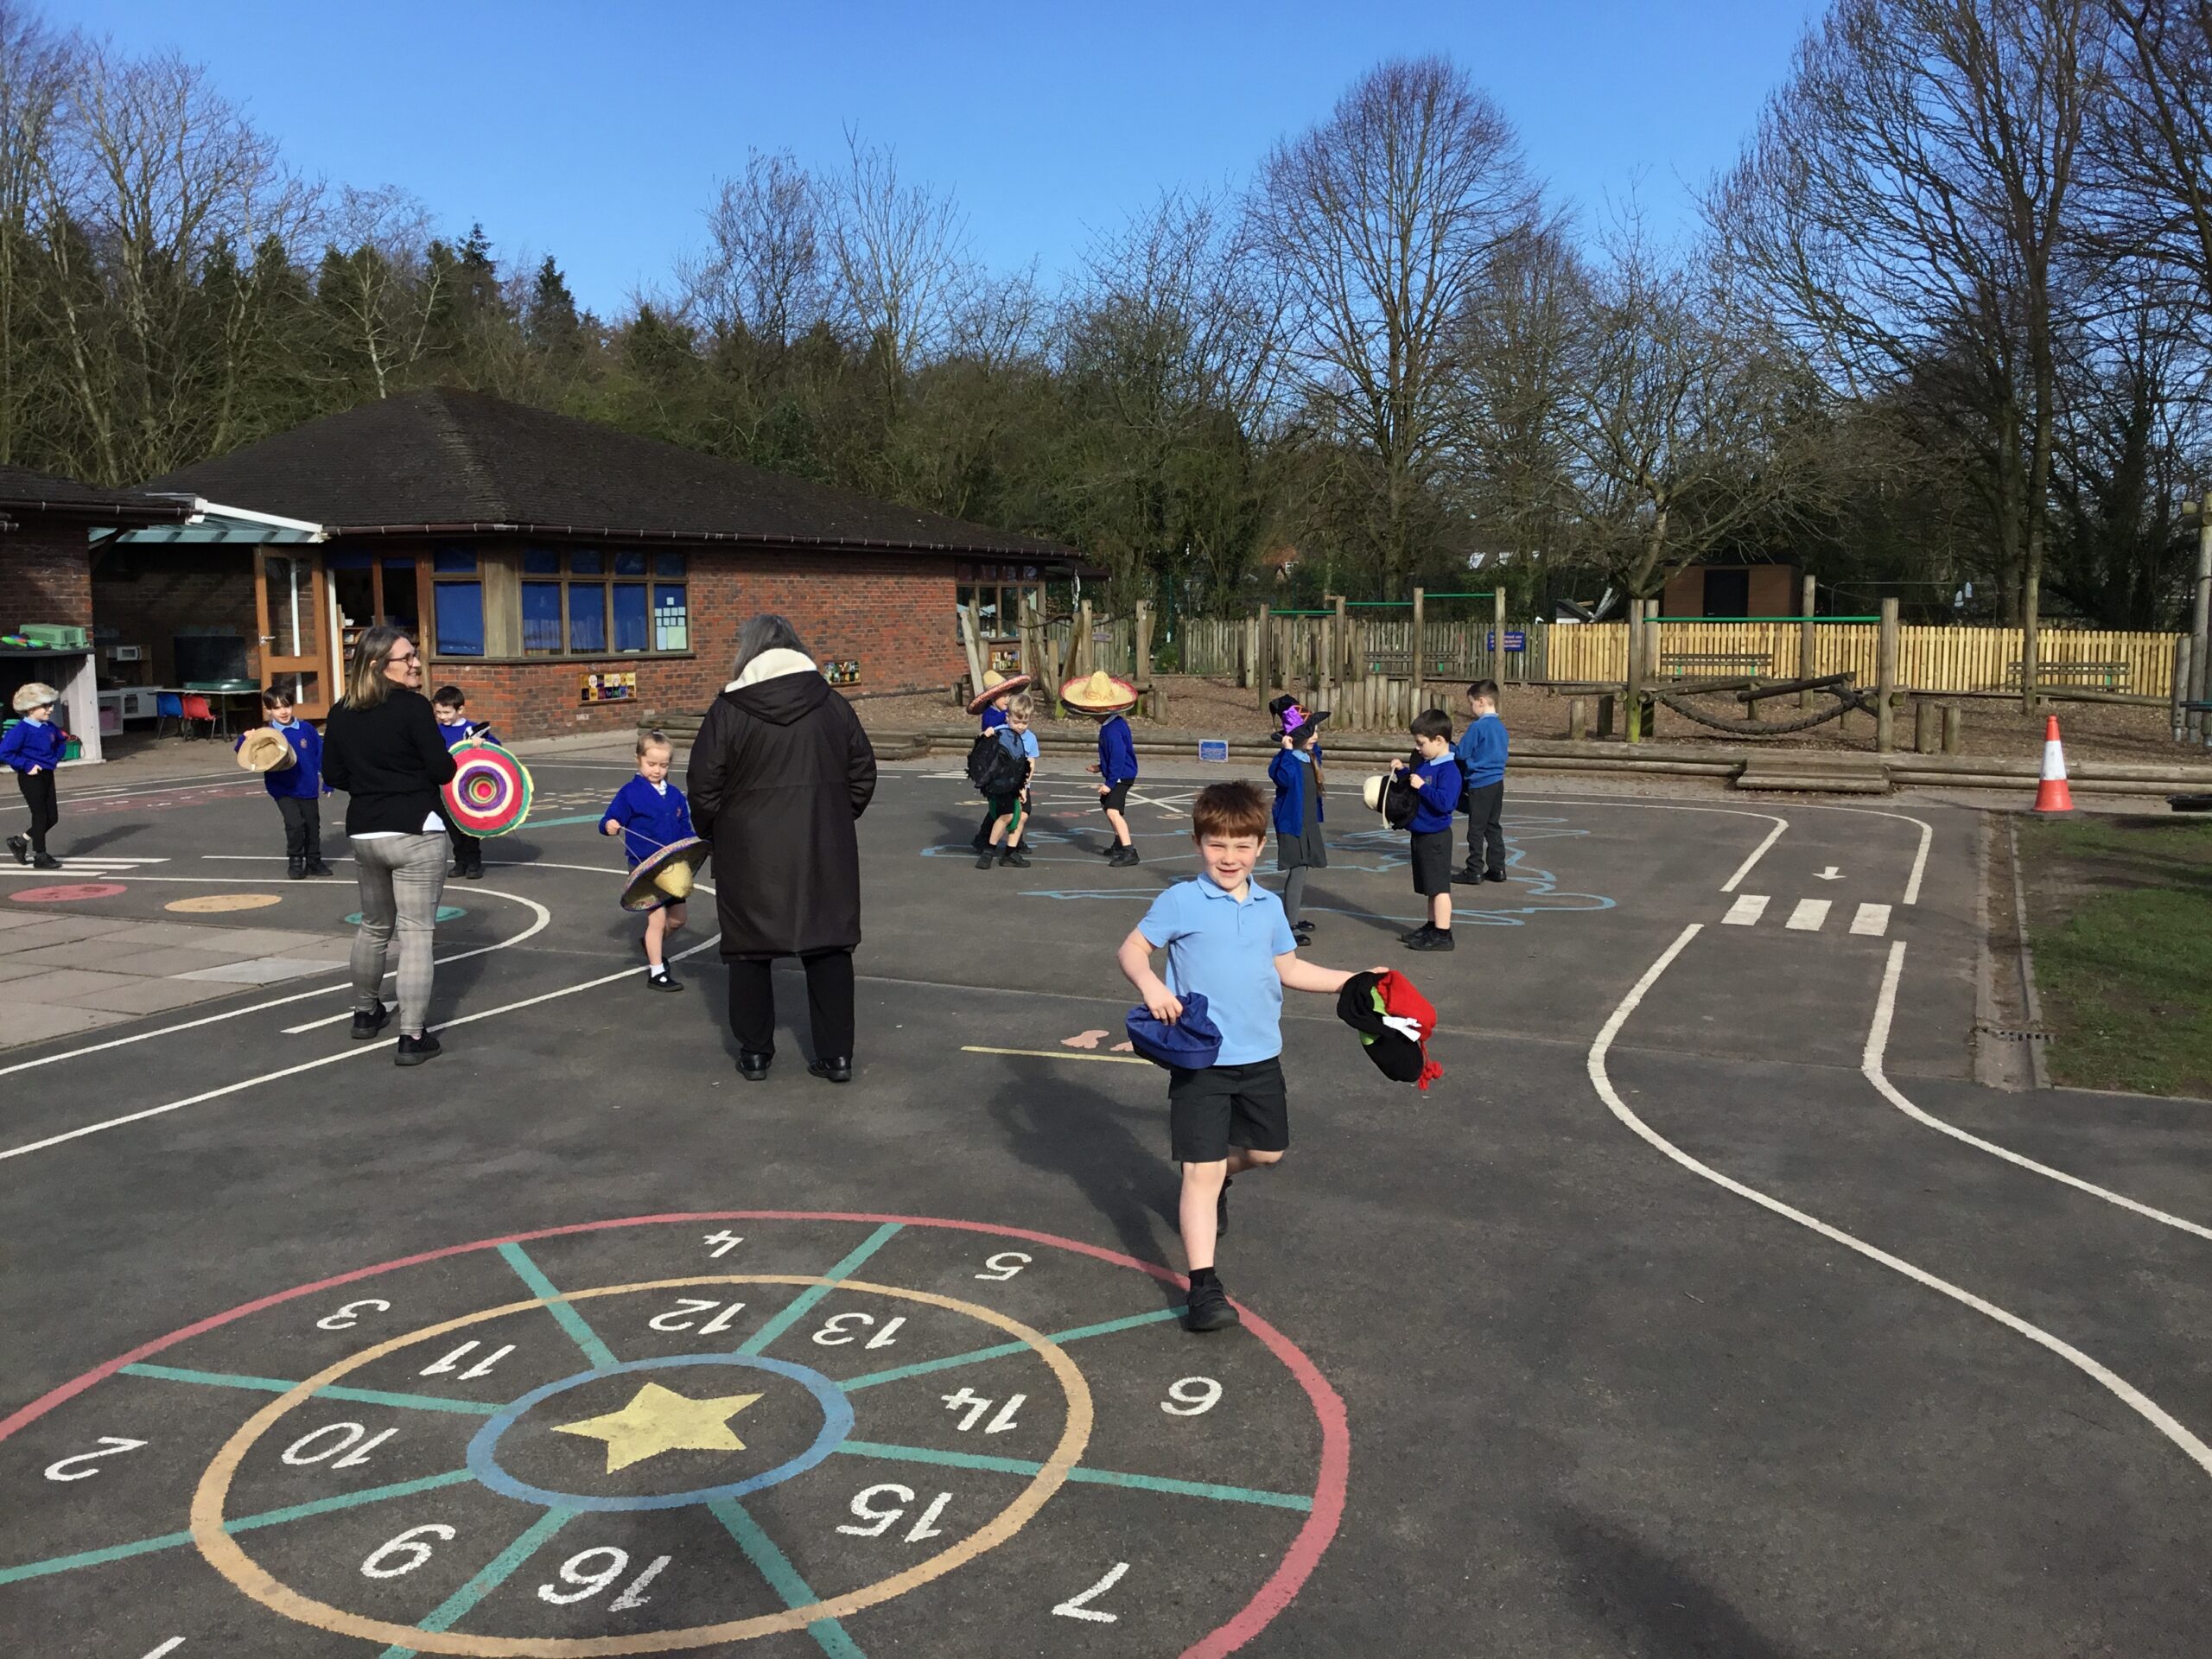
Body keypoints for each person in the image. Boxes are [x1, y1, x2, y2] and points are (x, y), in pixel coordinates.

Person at [1117, 781, 1375, 1332]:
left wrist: (1355, 979)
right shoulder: (1181, 900)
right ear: (1198, 844)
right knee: (1201, 1172)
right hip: (1200, 1057)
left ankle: (1216, 1182)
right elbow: (1132, 949)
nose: (1229, 857)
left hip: (1260, 1056)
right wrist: (1151, 986)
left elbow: (1290, 969)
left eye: (1241, 846)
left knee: (1266, 1152)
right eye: (1217, 844)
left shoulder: (1269, 907)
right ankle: (1203, 1288)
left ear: (1260, 846)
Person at [688, 614, 877, 1084]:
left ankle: (755, 1053)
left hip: (749, 849)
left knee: (749, 951)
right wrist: (835, 817)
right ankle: (836, 1056)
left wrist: (718, 832)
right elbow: (862, 773)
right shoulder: (832, 704)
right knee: (829, 945)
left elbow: (703, 787)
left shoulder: (727, 710)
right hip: (822, 844)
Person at [324, 626, 459, 1066]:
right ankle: (412, 1036)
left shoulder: (341, 710)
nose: (417, 663)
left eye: (415, 654)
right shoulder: (413, 707)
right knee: (416, 934)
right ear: (379, 664)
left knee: (374, 926)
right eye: (408, 658)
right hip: (416, 828)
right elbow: (442, 769)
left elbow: (334, 774)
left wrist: (372, 782)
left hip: (366, 832)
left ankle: (365, 1014)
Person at [603, 730, 694, 992]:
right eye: (651, 764)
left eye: (663, 765)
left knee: (678, 919)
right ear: (638, 760)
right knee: (657, 919)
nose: (657, 770)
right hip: (644, 865)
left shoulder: (675, 794)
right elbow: (610, 818)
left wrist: (694, 844)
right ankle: (657, 972)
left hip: (672, 866)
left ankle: (651, 944)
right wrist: (610, 825)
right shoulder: (630, 793)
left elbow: (684, 826)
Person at [237, 689, 334, 880]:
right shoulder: (266, 733)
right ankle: (295, 861)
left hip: (307, 785)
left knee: (312, 825)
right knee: (295, 824)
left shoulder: (306, 729)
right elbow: (245, 750)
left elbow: (320, 755)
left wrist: (328, 780)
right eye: (277, 708)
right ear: (268, 710)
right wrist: (245, 738)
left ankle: (314, 861)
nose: (283, 711)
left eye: (287, 706)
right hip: (282, 788)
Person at [1389, 709, 1462, 952]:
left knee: (1439, 889)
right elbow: (1414, 783)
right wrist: (1403, 772)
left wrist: (1423, 788)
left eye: (1421, 743)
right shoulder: (1427, 764)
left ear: (1439, 740)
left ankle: (1443, 933)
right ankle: (1432, 926)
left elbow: (1446, 803)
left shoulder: (1449, 770)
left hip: (1436, 836)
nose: (1417, 748)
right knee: (1429, 887)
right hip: (1421, 833)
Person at [1064, 670, 1140, 865]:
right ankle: (1119, 843)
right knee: (1108, 806)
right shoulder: (1112, 725)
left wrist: (1110, 783)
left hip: (1121, 776)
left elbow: (1118, 757)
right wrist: (1100, 767)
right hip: (1119, 773)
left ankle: (1129, 851)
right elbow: (1113, 756)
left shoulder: (1112, 730)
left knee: (1113, 810)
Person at [1267, 708, 1327, 945]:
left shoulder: (1309, 756)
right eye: (1311, 733)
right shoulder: (1286, 761)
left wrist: (1301, 720)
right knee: (1298, 870)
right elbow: (1285, 778)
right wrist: (1286, 750)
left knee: (1303, 869)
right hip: (1291, 823)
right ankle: (1288, 924)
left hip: (1307, 822)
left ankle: (1291, 916)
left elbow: (1316, 750)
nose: (1316, 737)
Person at [430, 685, 495, 880]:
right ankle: (460, 861)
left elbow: (497, 747)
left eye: (446, 712)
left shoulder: (473, 730)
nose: (442, 717)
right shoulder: (435, 731)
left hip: (468, 788)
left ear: (460, 709)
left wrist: (482, 743)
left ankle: (474, 862)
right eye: (438, 712)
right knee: (452, 827)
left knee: (468, 826)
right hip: (446, 788)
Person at [3, 683, 67, 869]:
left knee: (52, 817)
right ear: (31, 708)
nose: (50, 709)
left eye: (51, 705)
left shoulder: (49, 727)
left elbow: (61, 742)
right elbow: (5, 752)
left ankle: (19, 842)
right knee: (40, 815)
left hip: (47, 774)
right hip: (30, 777)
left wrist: (54, 758)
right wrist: (27, 765)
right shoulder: (21, 729)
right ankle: (40, 855)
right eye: (45, 706)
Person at [1452, 679, 1510, 886]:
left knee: (1476, 828)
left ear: (1481, 701)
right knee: (1493, 826)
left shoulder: (1478, 727)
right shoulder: (1501, 728)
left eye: (1471, 704)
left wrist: (1448, 748)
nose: (1471, 708)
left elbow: (1462, 753)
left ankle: (1474, 869)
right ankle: (1497, 868)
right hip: (1497, 782)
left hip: (1480, 782)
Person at [967, 670, 1028, 854]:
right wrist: (1013, 713)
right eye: (1004, 697)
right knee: (1002, 807)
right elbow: (997, 724)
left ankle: (1016, 840)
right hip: (995, 766)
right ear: (993, 699)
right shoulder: (991, 714)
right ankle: (984, 838)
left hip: (1006, 763)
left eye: (1010, 696)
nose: (1008, 700)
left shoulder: (1002, 712)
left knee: (1011, 805)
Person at [976, 693, 1039, 869]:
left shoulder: (1030, 738)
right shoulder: (999, 732)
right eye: (1016, 722)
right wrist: (985, 735)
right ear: (1007, 717)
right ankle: (989, 850)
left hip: (1021, 785)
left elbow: (1031, 763)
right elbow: (982, 751)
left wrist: (1024, 786)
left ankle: (1010, 853)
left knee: (1022, 816)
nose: (1020, 726)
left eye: (1025, 723)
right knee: (1007, 816)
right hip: (1003, 785)